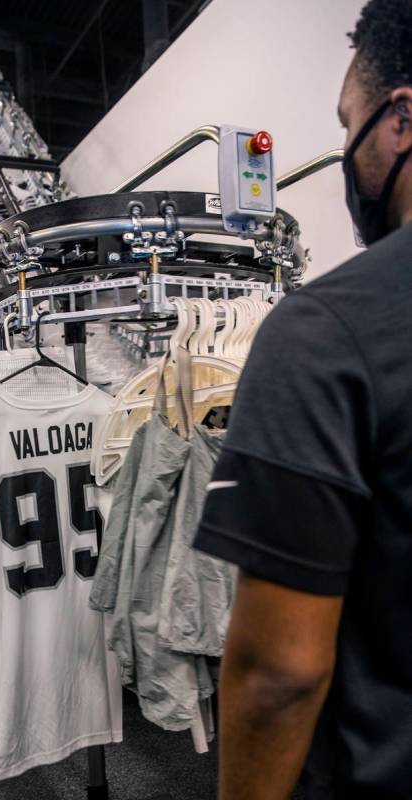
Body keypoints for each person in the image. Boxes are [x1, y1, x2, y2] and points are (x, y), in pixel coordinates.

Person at [193, 1, 412, 798]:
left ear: (399, 120)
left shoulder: (324, 333)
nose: (344, 153)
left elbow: (278, 672)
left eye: (346, 124)